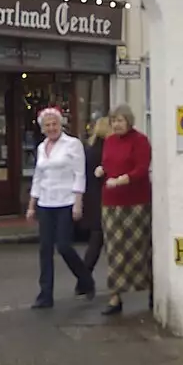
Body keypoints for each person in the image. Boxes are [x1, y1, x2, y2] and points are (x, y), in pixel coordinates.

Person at [25, 107, 93, 308]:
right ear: (42, 128)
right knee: (45, 249)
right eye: (47, 125)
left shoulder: (72, 145)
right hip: (46, 202)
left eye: (54, 124)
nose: (52, 128)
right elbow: (38, 177)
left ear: (61, 124)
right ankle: (45, 294)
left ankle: (85, 278)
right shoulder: (41, 148)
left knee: (63, 246)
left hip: (66, 202)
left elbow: (80, 174)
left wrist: (78, 202)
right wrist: (31, 206)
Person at [97, 104, 152, 316]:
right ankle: (115, 297)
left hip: (135, 203)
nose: (117, 124)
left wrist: (122, 180)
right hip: (111, 202)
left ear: (129, 121)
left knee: (138, 248)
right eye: (114, 121)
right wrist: (102, 169)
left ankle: (150, 290)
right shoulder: (110, 141)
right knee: (114, 249)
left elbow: (141, 168)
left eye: (120, 120)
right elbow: (108, 163)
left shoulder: (140, 141)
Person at [78, 116, 110, 290]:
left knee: (96, 241)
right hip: (102, 198)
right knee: (99, 241)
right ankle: (84, 278)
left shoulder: (89, 149)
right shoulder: (104, 150)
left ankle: (83, 279)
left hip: (91, 197)